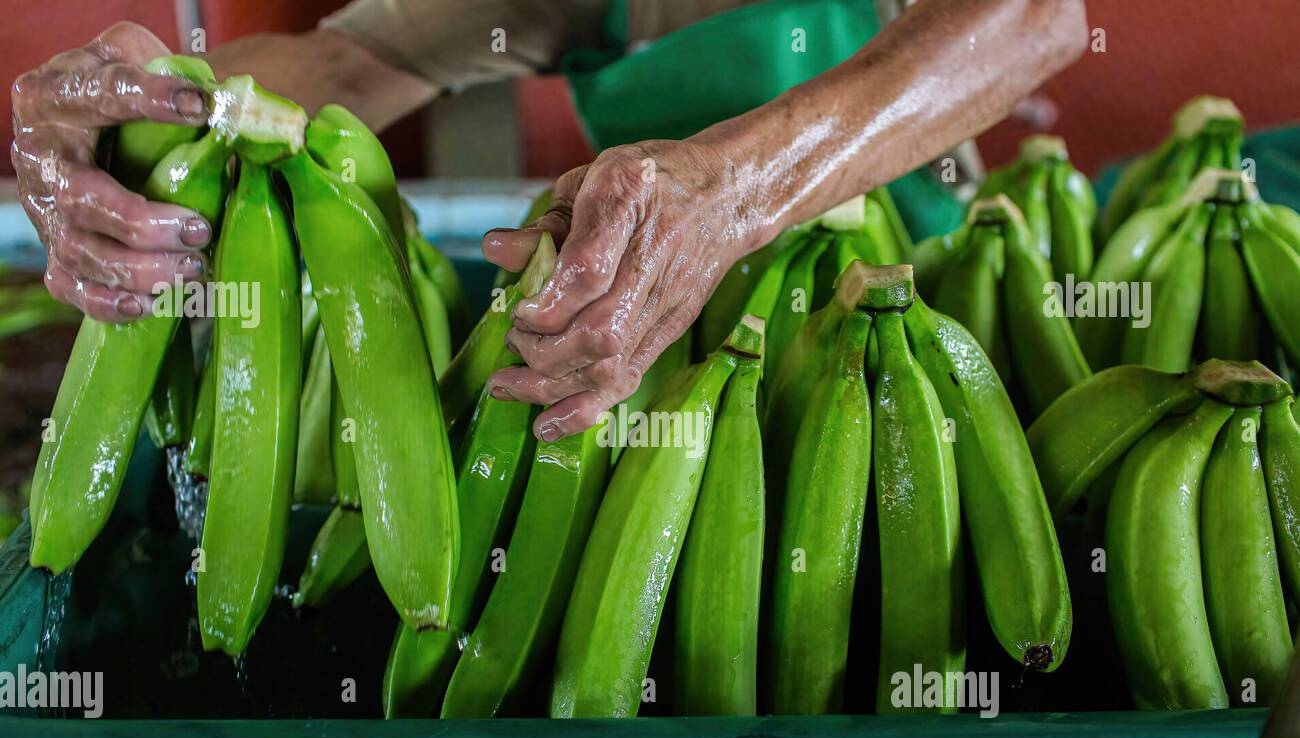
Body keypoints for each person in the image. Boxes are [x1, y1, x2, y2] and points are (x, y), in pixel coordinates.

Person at [11, 0, 1087, 442]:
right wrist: (143, 102)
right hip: (626, 370)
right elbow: (334, 67)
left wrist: (736, 190)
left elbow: (1038, 16)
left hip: (909, 332)